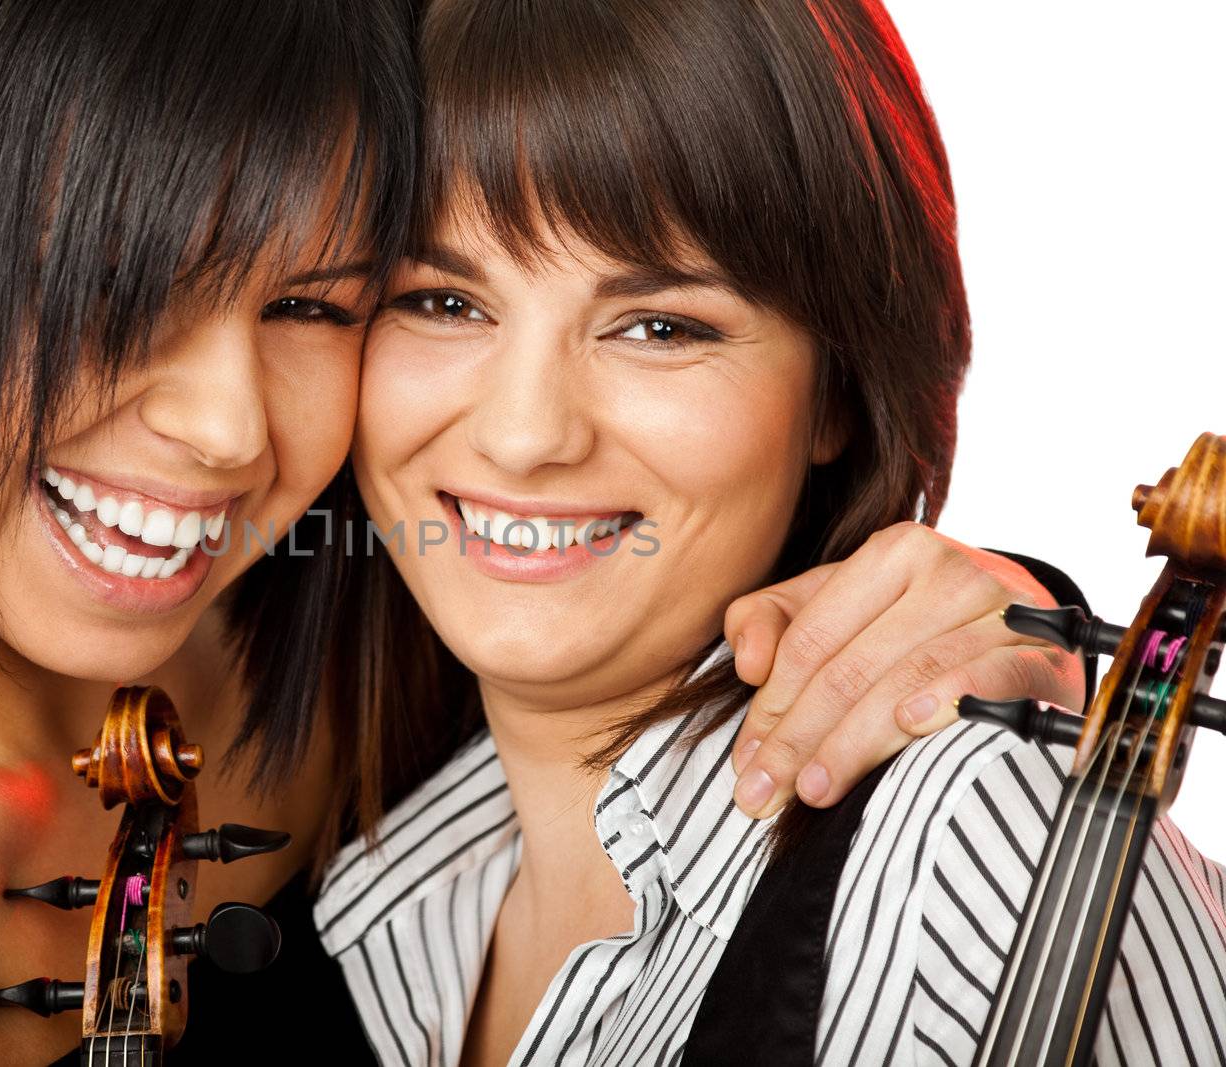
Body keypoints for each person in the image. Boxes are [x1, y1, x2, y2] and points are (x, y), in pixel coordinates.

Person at [0, 1, 1102, 1063]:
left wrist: (1000, 612)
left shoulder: (349, 589)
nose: (227, 429)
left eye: (315, 301)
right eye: (115, 290)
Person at [313, 0, 1226, 1064]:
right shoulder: (374, 899)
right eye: (443, 302)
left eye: (660, 326)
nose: (524, 436)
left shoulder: (971, 837)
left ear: (837, 389)